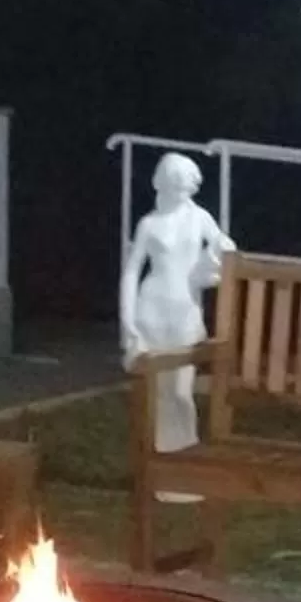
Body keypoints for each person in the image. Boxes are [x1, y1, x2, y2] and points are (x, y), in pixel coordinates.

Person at [118, 152, 233, 459]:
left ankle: (184, 461)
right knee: (157, 393)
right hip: (151, 309)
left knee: (181, 393)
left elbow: (227, 248)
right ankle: (159, 464)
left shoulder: (200, 218)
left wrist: (210, 266)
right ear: (163, 185)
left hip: (184, 312)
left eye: (187, 186)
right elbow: (131, 272)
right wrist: (128, 320)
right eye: (176, 186)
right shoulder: (149, 225)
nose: (183, 193)